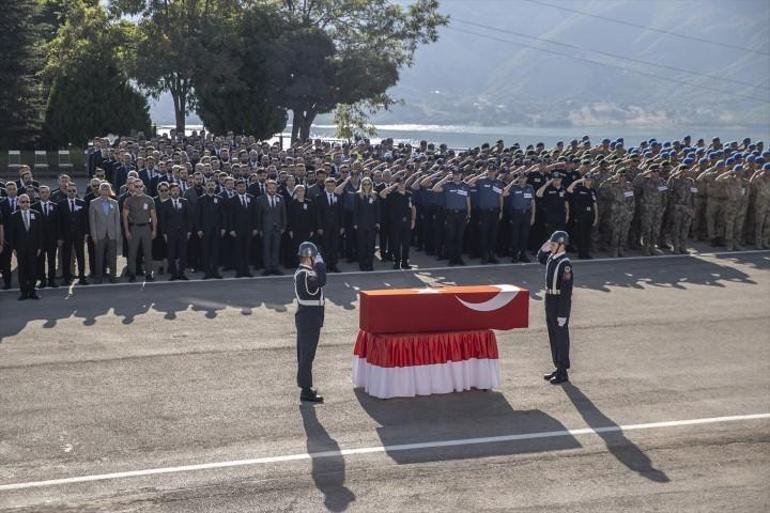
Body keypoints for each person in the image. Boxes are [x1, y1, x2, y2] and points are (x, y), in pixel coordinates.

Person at [537, 230, 573, 385]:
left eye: (553, 244)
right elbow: (540, 258)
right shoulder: (552, 258)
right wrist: (544, 247)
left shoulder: (565, 265)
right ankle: (557, 366)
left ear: (561, 245)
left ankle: (563, 371)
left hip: (559, 301)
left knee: (561, 336)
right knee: (553, 334)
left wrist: (563, 313)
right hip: (549, 299)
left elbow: (566, 292)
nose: (550, 247)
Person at [294, 241, 327, 403]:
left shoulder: (305, 272)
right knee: (307, 355)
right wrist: (320, 265)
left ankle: (305, 386)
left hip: (309, 318)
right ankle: (306, 391)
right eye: (314, 258)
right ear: (309, 258)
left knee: (305, 354)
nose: (316, 260)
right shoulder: (304, 274)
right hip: (308, 319)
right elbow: (321, 281)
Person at [7, 194, 43, 300]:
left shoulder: (36, 214)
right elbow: (11, 234)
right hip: (20, 248)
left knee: (33, 270)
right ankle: (23, 292)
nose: (25, 204)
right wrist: (13, 248)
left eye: (27, 201)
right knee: (22, 270)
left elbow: (40, 232)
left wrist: (40, 247)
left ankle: (32, 291)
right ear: (19, 203)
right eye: (23, 202)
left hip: (33, 248)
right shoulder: (14, 216)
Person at [433, 167, 470, 266]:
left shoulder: (465, 186)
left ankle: (459, 258)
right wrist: (445, 178)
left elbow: (468, 200)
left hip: (462, 214)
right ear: (452, 175)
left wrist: (469, 213)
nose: (457, 176)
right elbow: (435, 188)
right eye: (455, 174)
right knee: (451, 237)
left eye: (458, 174)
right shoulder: (447, 185)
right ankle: (452, 258)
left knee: (460, 237)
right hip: (451, 214)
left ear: (461, 175)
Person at [123, 180, 158, 282]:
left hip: (146, 227)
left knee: (148, 252)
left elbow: (154, 216)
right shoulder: (128, 200)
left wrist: (154, 230)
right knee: (132, 253)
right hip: (134, 228)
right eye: (136, 186)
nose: (138, 188)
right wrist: (127, 231)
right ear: (132, 187)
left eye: (140, 186)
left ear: (143, 187)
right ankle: (132, 274)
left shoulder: (149, 199)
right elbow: (125, 217)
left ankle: (148, 274)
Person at [380, 177, 416, 269]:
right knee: (396, 243)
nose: (401, 185)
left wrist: (413, 220)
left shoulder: (409, 194)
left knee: (406, 244)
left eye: (403, 183)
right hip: (395, 224)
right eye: (399, 184)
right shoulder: (393, 195)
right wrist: (393, 186)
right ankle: (396, 262)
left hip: (407, 223)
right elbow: (382, 194)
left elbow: (413, 208)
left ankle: (405, 262)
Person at [89, 182, 121, 283]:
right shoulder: (93, 203)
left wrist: (117, 234)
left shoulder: (114, 203)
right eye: (103, 188)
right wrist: (94, 235)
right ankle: (99, 277)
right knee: (99, 257)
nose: (105, 190)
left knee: (112, 257)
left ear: (110, 190)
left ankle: (113, 276)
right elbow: (92, 221)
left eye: (107, 188)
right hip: (99, 235)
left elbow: (117, 220)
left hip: (112, 234)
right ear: (99, 190)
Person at [160, 183, 193, 280]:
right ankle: (174, 274)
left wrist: (189, 231)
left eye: (177, 190)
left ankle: (181, 273)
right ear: (170, 191)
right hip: (170, 233)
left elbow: (189, 218)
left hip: (183, 232)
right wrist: (164, 233)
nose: (175, 192)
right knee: (171, 254)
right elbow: (163, 220)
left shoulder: (185, 202)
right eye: (173, 190)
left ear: (179, 191)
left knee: (183, 254)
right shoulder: (165, 204)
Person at [58, 184, 90, 285]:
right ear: (66, 192)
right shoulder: (61, 204)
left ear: (76, 192)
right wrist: (60, 237)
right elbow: (59, 222)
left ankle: (82, 277)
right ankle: (66, 278)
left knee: (81, 256)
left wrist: (86, 233)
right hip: (66, 235)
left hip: (79, 234)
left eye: (73, 191)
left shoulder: (82, 203)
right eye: (69, 191)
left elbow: (86, 219)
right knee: (66, 257)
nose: (71, 193)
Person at [31, 186, 60, 288]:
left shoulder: (55, 206)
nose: (44, 194)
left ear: (49, 194)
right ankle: (42, 281)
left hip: (52, 239)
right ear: (39, 194)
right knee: (40, 261)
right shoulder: (34, 207)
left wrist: (59, 238)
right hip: (40, 240)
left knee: (52, 261)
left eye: (46, 192)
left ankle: (52, 281)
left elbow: (59, 224)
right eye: (42, 192)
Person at [256, 179, 287, 276]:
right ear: (266, 188)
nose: (272, 190)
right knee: (266, 248)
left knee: (276, 248)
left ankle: (275, 267)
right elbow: (258, 216)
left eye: (274, 188)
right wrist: (259, 229)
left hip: (277, 228)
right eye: (270, 188)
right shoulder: (260, 199)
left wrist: (283, 226)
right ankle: (267, 268)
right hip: (266, 228)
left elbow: (283, 214)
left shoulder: (281, 198)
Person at [503, 172, 536, 263]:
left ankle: (523, 254)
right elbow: (504, 193)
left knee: (524, 236)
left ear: (526, 179)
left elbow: (533, 203)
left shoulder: (530, 188)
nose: (522, 179)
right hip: (516, 214)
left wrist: (533, 216)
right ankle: (514, 256)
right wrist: (513, 182)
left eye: (523, 178)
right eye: (520, 178)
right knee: (515, 235)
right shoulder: (513, 188)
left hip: (526, 214)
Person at [567, 174, 598, 259]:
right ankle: (581, 253)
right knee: (581, 234)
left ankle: (586, 253)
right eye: (587, 179)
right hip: (581, 214)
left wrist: (596, 217)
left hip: (590, 214)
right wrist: (578, 181)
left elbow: (595, 204)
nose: (589, 181)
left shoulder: (592, 190)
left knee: (588, 235)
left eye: (590, 179)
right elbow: (569, 189)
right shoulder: (579, 189)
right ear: (584, 180)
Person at [315, 177, 343, 273]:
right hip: (324, 226)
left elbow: (341, 213)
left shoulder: (338, 197)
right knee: (325, 246)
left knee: (334, 246)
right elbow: (318, 213)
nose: (330, 187)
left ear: (335, 186)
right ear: (325, 186)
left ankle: (333, 265)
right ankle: (325, 265)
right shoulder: (320, 197)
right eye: (328, 186)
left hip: (336, 226)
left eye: (332, 186)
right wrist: (319, 227)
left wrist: (342, 226)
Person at [353, 177, 380, 271]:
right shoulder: (358, 195)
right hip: (361, 224)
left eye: (368, 184)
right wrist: (355, 223)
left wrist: (377, 222)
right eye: (364, 184)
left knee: (371, 245)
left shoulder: (375, 194)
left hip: (372, 224)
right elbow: (355, 210)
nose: (366, 186)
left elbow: (377, 210)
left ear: (371, 185)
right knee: (362, 245)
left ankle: (370, 264)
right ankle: (362, 264)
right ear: (362, 185)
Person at [286, 185, 316, 268]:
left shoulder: (309, 202)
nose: (300, 193)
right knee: (296, 247)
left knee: (306, 247)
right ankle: (297, 263)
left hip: (307, 229)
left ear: (304, 192)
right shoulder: (292, 203)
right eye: (298, 191)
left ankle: (306, 263)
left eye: (302, 191)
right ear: (296, 192)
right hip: (295, 229)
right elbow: (289, 218)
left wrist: (312, 229)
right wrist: (290, 230)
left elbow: (312, 217)